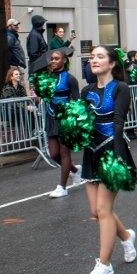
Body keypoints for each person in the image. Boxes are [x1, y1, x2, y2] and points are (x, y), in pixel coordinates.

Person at [79, 46, 137, 274]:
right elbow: (81, 120)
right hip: (90, 153)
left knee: (104, 210)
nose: (94, 60)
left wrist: (115, 157)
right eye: (92, 57)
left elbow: (118, 122)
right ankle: (125, 236)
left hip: (112, 151)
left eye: (100, 56)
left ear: (112, 64)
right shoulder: (86, 91)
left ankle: (104, 264)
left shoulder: (120, 88)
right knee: (97, 211)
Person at [43, 50, 81, 197]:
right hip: (51, 117)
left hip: (65, 118)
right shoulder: (46, 78)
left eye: (57, 59)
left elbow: (77, 100)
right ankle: (76, 171)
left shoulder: (70, 79)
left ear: (64, 60)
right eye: (51, 59)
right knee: (54, 154)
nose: (53, 61)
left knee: (65, 152)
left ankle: (62, 187)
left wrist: (76, 119)